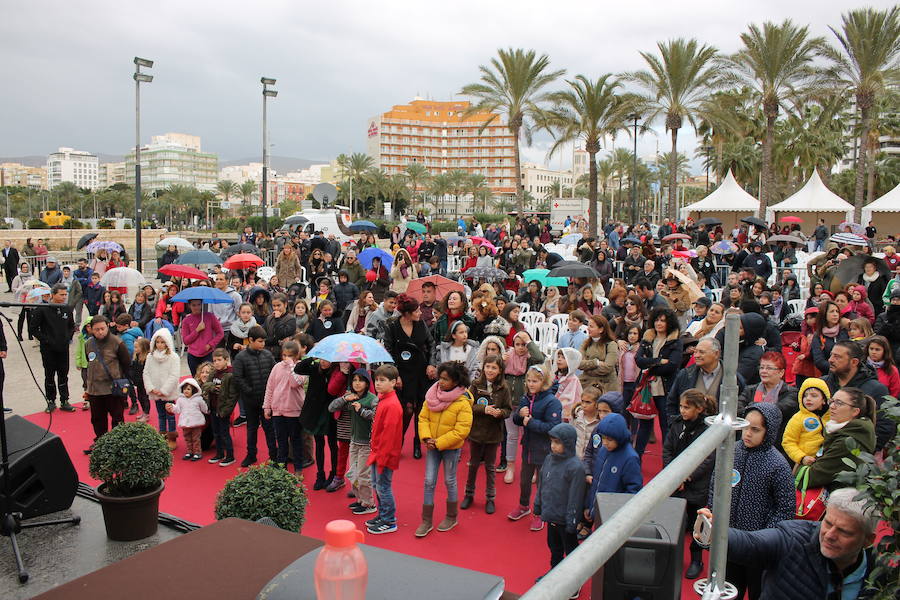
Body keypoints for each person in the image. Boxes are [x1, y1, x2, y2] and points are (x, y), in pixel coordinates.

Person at [710, 488, 879, 600]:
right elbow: (750, 544)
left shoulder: (882, 574)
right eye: (827, 523)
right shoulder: (793, 538)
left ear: (868, 540)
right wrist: (713, 531)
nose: (829, 535)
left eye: (844, 531)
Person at [702, 403, 795, 599]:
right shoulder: (731, 452)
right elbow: (715, 486)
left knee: (758, 592)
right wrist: (714, 514)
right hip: (729, 542)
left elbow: (785, 509)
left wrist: (766, 539)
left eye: (755, 429)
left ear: (768, 432)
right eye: (745, 427)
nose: (747, 433)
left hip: (759, 549)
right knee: (726, 590)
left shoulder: (778, 465)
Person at [663, 389, 717, 579]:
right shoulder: (677, 424)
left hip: (697, 485)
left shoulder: (708, 429)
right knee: (675, 521)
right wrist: (674, 476)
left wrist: (687, 477)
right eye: (681, 406)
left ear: (699, 409)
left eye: (687, 407)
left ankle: (696, 559)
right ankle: (673, 556)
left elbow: (708, 458)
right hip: (676, 483)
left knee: (698, 524)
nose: (683, 410)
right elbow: (667, 449)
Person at [415, 362, 473, 537]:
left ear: (456, 381)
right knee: (429, 481)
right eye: (440, 377)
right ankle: (426, 520)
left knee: (450, 481)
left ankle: (451, 516)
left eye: (445, 379)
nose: (440, 381)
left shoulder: (463, 402)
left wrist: (438, 442)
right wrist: (426, 438)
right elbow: (422, 417)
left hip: (450, 448)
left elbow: (461, 430)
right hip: (432, 445)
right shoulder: (431, 395)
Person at [508, 365, 563, 532]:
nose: (531, 384)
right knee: (524, 480)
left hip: (545, 449)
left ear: (544, 381)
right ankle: (524, 506)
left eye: (535, 381)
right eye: (529, 381)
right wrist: (519, 415)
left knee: (542, 483)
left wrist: (530, 422)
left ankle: (541, 512)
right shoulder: (526, 398)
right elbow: (518, 420)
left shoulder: (552, 402)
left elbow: (553, 427)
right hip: (529, 447)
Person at [534, 423, 586, 588]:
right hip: (551, 514)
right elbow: (542, 483)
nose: (553, 445)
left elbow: (575, 497)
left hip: (565, 519)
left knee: (570, 550)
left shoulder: (575, 467)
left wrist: (571, 521)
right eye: (552, 441)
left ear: (568, 444)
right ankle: (555, 572)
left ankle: (573, 584)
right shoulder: (549, 459)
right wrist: (538, 505)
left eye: (557, 442)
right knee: (554, 547)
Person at [382, 293, 434, 459]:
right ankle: (399, 441)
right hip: (402, 374)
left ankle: (418, 443)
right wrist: (395, 375)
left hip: (421, 371)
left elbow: (431, 344)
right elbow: (388, 352)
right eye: (416, 311)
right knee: (406, 409)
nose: (420, 313)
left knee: (420, 409)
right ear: (406, 313)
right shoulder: (392, 326)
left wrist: (431, 364)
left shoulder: (421, 325)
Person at [463, 354, 512, 514]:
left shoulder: (504, 388)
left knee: (490, 467)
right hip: (476, 432)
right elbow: (468, 405)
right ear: (483, 368)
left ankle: (490, 498)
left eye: (494, 367)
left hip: (493, 434)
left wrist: (500, 413)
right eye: (488, 366)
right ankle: (469, 494)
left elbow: (508, 409)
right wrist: (483, 409)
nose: (490, 370)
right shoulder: (476, 385)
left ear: (500, 370)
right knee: (473, 465)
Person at [821, 341, 892, 450]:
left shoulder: (876, 389)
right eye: (831, 355)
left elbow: (885, 427)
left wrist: (860, 451)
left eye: (837, 357)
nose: (830, 360)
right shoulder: (822, 384)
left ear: (854, 362)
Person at [634, 307, 683, 455]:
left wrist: (649, 367)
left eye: (663, 320)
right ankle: (636, 459)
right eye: (656, 320)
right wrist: (658, 361)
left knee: (665, 425)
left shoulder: (675, 341)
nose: (658, 323)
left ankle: (667, 463)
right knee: (644, 425)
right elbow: (638, 360)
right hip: (647, 388)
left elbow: (672, 366)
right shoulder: (648, 338)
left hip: (665, 388)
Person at [330, 368, 378, 515]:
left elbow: (376, 417)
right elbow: (331, 408)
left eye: (361, 380)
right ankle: (360, 500)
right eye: (355, 380)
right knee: (354, 473)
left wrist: (361, 410)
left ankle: (369, 504)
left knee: (364, 475)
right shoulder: (351, 397)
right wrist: (345, 399)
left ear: (367, 382)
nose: (357, 383)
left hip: (366, 443)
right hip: (353, 441)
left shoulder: (372, 399)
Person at [83, 316, 132, 453]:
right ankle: (100, 442)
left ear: (108, 327)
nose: (100, 332)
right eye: (96, 329)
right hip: (94, 390)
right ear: (91, 330)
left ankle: (118, 444)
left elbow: (126, 363)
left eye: (102, 328)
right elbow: (89, 362)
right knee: (97, 419)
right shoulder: (88, 344)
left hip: (113, 389)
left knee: (117, 417)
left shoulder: (117, 342)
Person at [366, 364, 404, 535]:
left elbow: (389, 435)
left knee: (383, 487)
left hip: (384, 454)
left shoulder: (392, 405)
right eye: (376, 380)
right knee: (377, 485)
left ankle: (389, 520)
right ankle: (383, 515)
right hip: (378, 452)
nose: (378, 383)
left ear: (394, 382)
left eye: (382, 380)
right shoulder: (383, 400)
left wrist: (381, 456)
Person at [232, 325, 277, 467]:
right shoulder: (240, 358)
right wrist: (249, 390)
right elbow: (238, 378)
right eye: (260, 341)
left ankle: (274, 457)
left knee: (269, 429)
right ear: (250, 340)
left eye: (264, 341)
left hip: (266, 401)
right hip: (250, 401)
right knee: (251, 429)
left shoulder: (268, 355)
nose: (263, 344)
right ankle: (251, 455)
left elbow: (274, 374)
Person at [30, 283, 76, 412]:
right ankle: (51, 401)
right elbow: (33, 328)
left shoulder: (67, 308)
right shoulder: (42, 309)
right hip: (48, 349)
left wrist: (68, 337)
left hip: (63, 348)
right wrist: (46, 340)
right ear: (53, 295)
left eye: (65, 295)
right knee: (49, 375)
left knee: (63, 375)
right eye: (61, 295)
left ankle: (64, 400)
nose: (64, 297)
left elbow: (71, 326)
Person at [263, 340, 305, 472]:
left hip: (294, 412)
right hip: (278, 412)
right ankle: (282, 471)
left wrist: (292, 366)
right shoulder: (277, 367)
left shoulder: (301, 367)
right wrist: (267, 407)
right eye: (285, 355)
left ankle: (298, 469)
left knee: (296, 441)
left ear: (297, 355)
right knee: (281, 443)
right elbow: (270, 387)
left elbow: (295, 383)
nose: (287, 358)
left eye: (290, 355)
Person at [737, 351, 798, 438]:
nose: (763, 371)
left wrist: (751, 407)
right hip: (747, 437)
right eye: (762, 367)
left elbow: (777, 410)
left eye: (769, 368)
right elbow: (738, 409)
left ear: (781, 372)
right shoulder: (750, 390)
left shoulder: (791, 393)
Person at [781, 377, 831, 468]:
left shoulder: (831, 417)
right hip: (804, 464)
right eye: (805, 395)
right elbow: (788, 442)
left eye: (814, 395)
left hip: (827, 462)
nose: (808, 398)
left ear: (824, 400)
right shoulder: (798, 418)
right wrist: (802, 457)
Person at [202, 348, 237, 466]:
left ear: (226, 360)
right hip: (213, 407)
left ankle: (230, 456)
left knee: (224, 433)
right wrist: (213, 387)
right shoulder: (213, 373)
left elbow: (233, 395)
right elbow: (206, 385)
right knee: (216, 432)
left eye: (219, 360)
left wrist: (226, 410)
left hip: (223, 410)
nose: (216, 362)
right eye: (214, 360)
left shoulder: (231, 374)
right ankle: (219, 453)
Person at [166, 378, 208, 461]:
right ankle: (189, 451)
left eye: (188, 389)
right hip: (185, 423)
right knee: (187, 438)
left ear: (194, 390)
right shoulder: (180, 400)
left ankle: (197, 453)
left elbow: (204, 408)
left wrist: (207, 409)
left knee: (196, 439)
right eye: (184, 389)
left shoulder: (198, 399)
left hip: (196, 423)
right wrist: (172, 407)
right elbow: (177, 409)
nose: (186, 391)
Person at [578, 314, 619, 394]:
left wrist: (587, 368)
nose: (588, 328)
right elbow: (579, 363)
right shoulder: (585, 343)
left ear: (601, 329)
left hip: (606, 386)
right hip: (586, 385)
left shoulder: (611, 344)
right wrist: (596, 363)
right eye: (588, 325)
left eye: (591, 326)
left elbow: (608, 367)